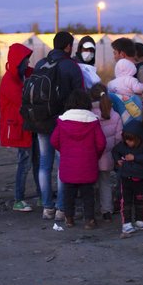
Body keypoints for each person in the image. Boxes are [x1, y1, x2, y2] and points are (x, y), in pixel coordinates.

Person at [26, 31, 85, 220]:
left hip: (41, 120)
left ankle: (47, 207)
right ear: (68, 46)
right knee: (62, 165)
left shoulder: (41, 64)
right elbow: (80, 94)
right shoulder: (71, 65)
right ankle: (61, 208)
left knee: (44, 164)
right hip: (62, 121)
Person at [50, 90, 106, 229]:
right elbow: (101, 143)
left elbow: (54, 140)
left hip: (68, 164)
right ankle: (90, 220)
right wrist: (95, 155)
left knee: (69, 194)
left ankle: (69, 219)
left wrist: (65, 151)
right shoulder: (93, 121)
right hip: (88, 163)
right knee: (88, 194)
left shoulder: (62, 121)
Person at [0, 43, 39, 212]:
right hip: (21, 129)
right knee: (25, 163)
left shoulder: (25, 74)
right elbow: (24, 99)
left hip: (29, 127)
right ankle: (19, 199)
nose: (28, 63)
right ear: (17, 61)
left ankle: (42, 195)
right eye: (25, 60)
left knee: (37, 162)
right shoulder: (9, 80)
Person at [112, 120, 143, 236]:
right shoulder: (123, 145)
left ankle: (140, 220)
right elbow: (115, 151)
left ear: (138, 138)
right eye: (126, 139)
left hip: (141, 177)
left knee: (140, 199)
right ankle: (126, 223)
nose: (128, 142)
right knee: (126, 201)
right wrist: (117, 161)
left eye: (130, 140)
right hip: (126, 177)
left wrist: (134, 157)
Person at [90, 84, 123, 221]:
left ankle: (90, 211)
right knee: (105, 183)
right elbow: (118, 138)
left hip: (90, 156)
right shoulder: (115, 115)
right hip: (107, 156)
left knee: (89, 185)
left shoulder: (88, 115)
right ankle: (107, 211)